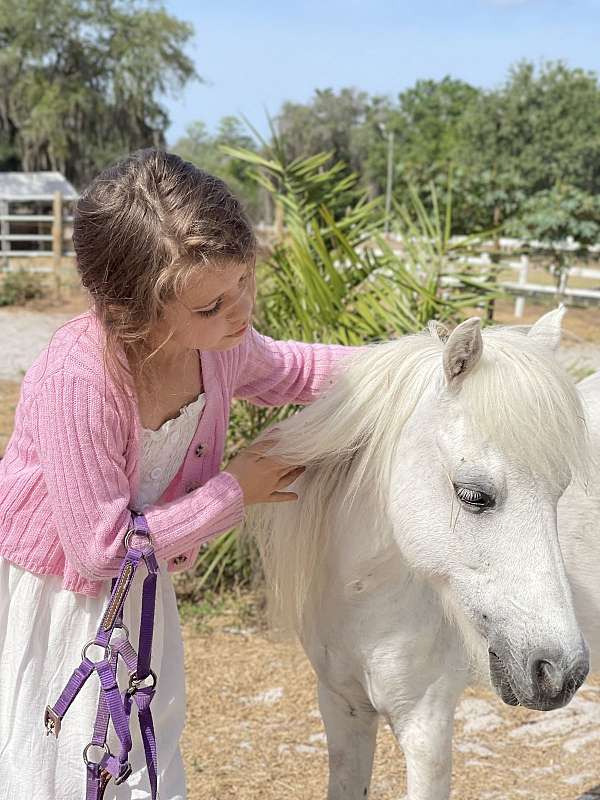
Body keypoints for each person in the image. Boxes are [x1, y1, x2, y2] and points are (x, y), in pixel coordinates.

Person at [0, 149, 358, 798]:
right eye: (211, 305)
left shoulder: (219, 349)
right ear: (134, 313)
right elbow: (99, 549)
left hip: (140, 586)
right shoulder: (81, 376)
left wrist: (407, 370)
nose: (240, 312)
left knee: (144, 738)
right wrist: (235, 492)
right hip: (60, 596)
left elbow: (298, 370)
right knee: (59, 756)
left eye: (244, 283)